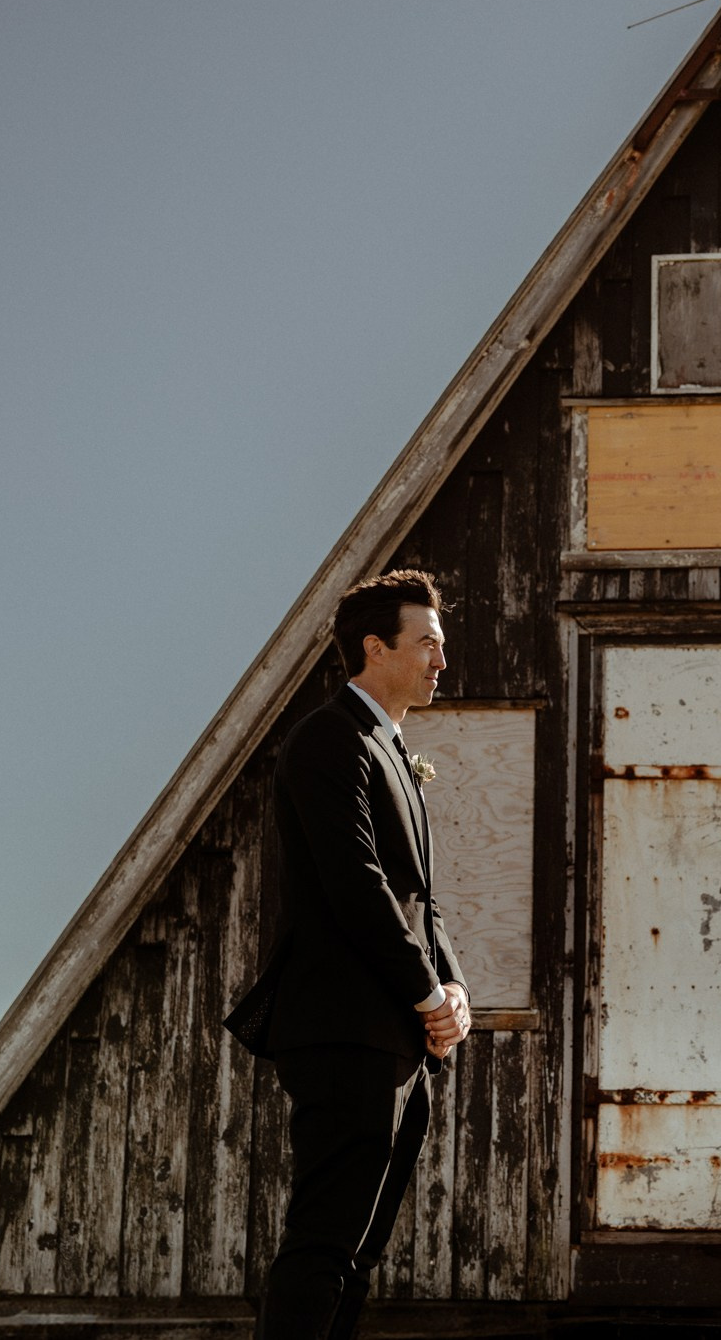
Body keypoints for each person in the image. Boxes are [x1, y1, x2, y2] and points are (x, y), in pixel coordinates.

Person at [224, 569, 472, 1340]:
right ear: (375, 646)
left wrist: (455, 987)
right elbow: (355, 881)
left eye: (442, 645)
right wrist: (426, 995)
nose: (441, 659)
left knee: (359, 1255)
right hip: (344, 1031)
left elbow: (414, 897)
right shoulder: (328, 739)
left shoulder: (393, 748)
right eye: (427, 642)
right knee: (326, 1242)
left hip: (398, 1041)